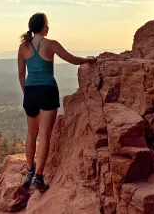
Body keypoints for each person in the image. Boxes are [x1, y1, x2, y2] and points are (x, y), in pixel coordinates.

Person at [17, 13, 96, 192]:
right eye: (48, 24)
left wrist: (26, 92)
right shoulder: (50, 44)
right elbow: (72, 59)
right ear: (44, 26)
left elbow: (21, 74)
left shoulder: (23, 47)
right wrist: (88, 60)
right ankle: (38, 177)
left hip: (30, 92)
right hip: (47, 90)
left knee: (31, 134)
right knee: (45, 134)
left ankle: (29, 172)